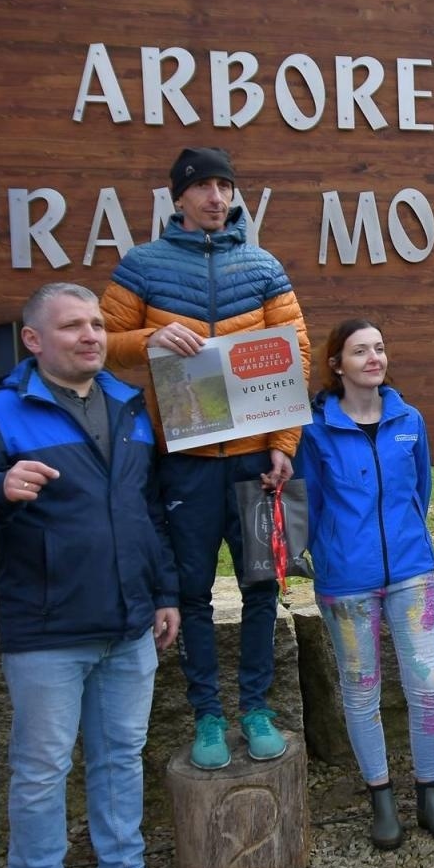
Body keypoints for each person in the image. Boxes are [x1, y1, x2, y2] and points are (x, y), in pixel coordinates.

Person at [0, 284, 193, 868]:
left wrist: (164, 593)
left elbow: (147, 514)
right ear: (34, 340)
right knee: (43, 769)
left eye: (95, 325)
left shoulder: (129, 407)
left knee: (118, 756)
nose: (90, 336)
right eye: (72, 326)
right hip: (47, 628)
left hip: (130, 622)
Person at [101, 147, 310, 771]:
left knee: (261, 585)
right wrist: (150, 338)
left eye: (225, 185)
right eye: (203, 187)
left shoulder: (263, 265)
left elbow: (294, 354)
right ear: (179, 198)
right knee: (190, 592)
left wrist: (283, 446)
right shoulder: (142, 267)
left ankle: (254, 707)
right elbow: (105, 345)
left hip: (253, 463)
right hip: (185, 462)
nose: (216, 196)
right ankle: (208, 717)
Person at [296, 319, 434, 848]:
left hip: (412, 573)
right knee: (362, 692)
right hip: (347, 582)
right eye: (360, 350)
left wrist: (409, 540)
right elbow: (311, 505)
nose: (374, 357)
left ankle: (431, 796)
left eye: (380, 348)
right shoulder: (316, 432)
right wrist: (330, 555)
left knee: (428, 687)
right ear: (337, 364)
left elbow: (421, 489)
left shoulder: (408, 419)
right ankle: (381, 800)